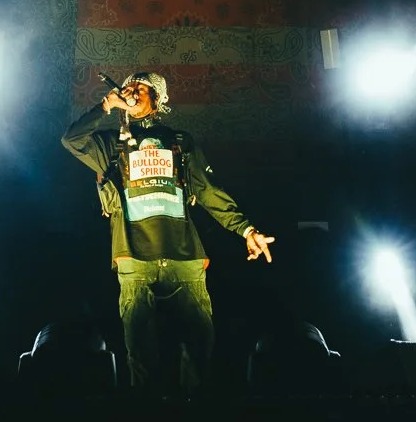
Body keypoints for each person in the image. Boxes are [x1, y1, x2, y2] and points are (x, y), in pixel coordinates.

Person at [62, 71, 274, 394]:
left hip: (184, 260)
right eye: (128, 87)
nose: (131, 91)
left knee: (200, 350)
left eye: (140, 88)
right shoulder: (109, 145)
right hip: (134, 262)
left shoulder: (180, 141)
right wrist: (105, 105)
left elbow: (208, 191)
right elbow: (71, 140)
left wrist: (246, 230)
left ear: (157, 99)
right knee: (142, 359)